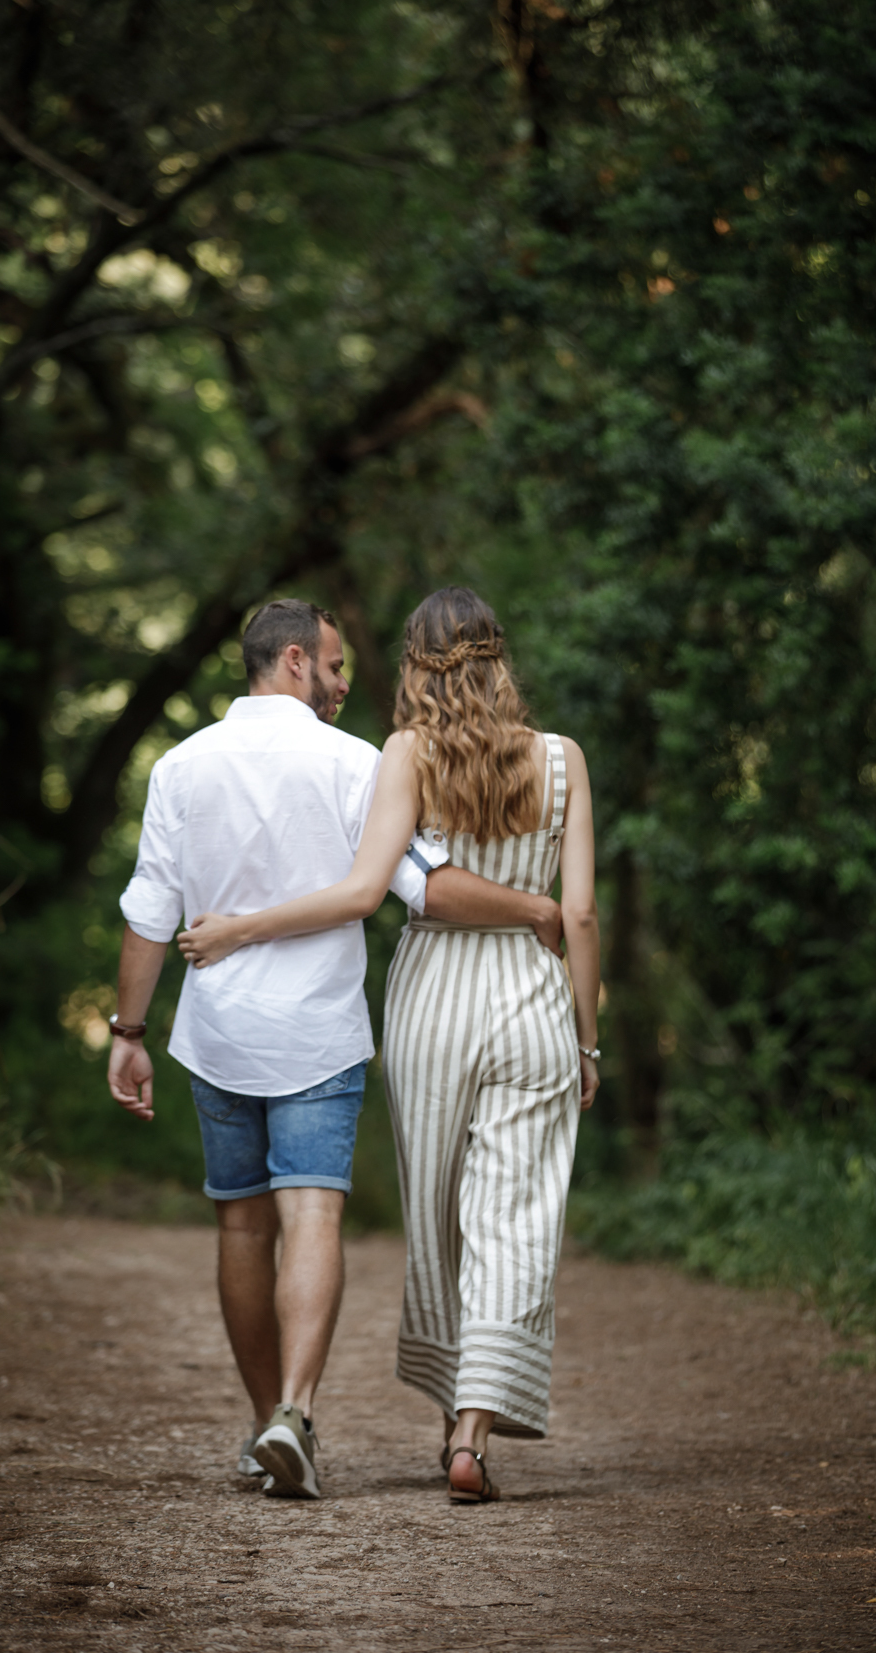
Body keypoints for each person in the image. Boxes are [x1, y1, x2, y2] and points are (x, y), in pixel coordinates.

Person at [107, 597, 563, 1501]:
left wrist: (129, 1033)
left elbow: (147, 909)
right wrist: (537, 910)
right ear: (290, 663)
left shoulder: (182, 766)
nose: (346, 683)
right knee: (311, 1217)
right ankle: (296, 1411)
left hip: (217, 1033)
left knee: (240, 1222)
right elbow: (421, 887)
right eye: (335, 665)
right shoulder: (356, 763)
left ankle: (261, 1424)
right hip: (317, 1033)